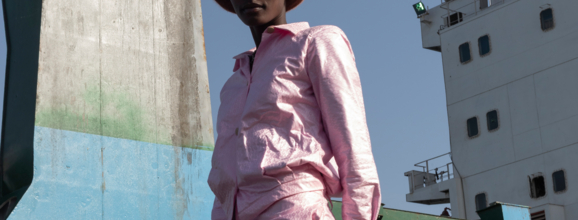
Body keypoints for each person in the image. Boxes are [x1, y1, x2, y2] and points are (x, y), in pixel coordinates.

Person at [207, 0, 381, 219]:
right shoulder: (234, 81)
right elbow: (226, 169)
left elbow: (353, 144)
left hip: (294, 208)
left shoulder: (316, 42)